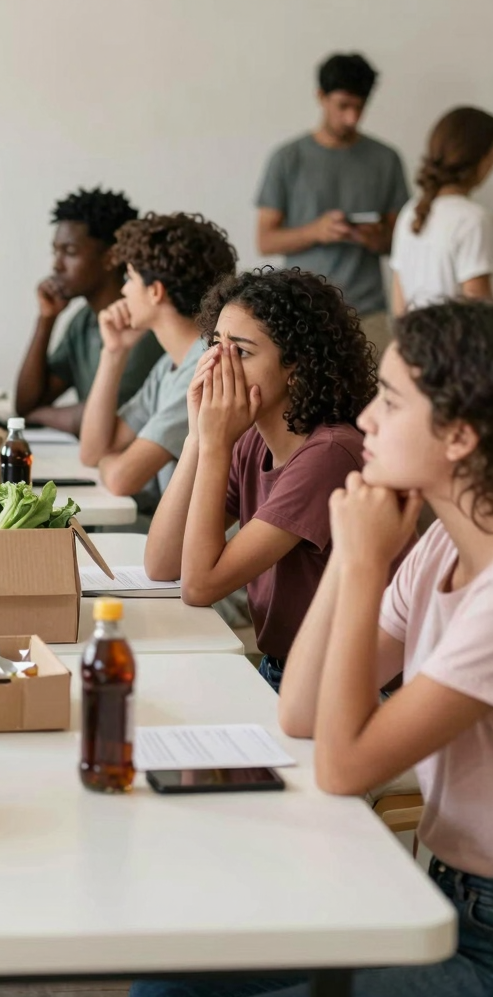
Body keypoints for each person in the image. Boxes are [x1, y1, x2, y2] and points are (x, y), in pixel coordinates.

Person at [128, 299, 493, 997]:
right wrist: (359, 553)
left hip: (482, 943)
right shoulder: (440, 546)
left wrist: (358, 565)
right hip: (441, 897)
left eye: (390, 402)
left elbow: (343, 766)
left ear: (457, 435)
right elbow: (298, 711)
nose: (367, 423)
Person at [144, 268, 377, 691]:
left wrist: (214, 446)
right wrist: (197, 438)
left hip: (345, 684)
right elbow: (162, 564)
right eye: (216, 344)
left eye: (243, 352)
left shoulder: (328, 455)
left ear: (296, 367)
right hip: (286, 667)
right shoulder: (252, 440)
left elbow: (199, 586)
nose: (219, 362)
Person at [79, 212, 236, 515]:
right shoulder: (171, 365)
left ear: (155, 291)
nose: (123, 290)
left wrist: (109, 462)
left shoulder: (205, 367)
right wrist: (114, 353)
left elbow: (122, 478)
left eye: (130, 278)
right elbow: (92, 451)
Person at [256, 53, 409, 356]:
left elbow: (404, 241)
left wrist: (376, 238)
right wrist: (316, 231)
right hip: (302, 312)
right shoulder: (287, 159)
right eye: (343, 106)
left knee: (379, 399)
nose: (352, 117)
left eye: (359, 107)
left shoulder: (386, 159)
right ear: (321, 97)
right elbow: (265, 240)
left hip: (369, 313)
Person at [16, 187, 164, 436]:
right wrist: (46, 319)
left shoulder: (142, 325)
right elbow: (26, 403)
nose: (56, 264)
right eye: (56, 251)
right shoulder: (83, 321)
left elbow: (107, 419)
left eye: (70, 252)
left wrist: (38, 415)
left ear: (111, 257)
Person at [390, 107, 493, 315]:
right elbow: (478, 306)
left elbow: (399, 304)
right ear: (484, 158)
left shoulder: (410, 211)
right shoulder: (472, 218)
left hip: (413, 344)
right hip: (457, 347)